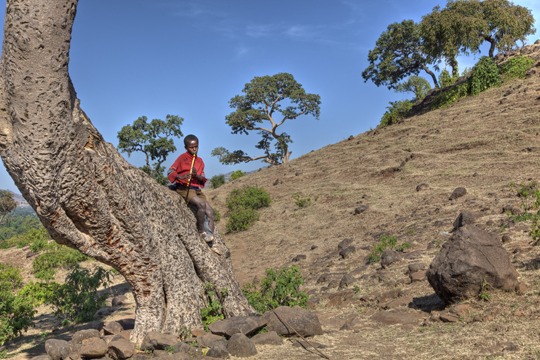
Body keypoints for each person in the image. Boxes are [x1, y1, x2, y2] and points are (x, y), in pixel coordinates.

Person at [168, 134, 216, 243]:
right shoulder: (182, 158)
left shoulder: (200, 161)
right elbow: (170, 171)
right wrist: (180, 176)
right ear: (186, 147)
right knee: (201, 205)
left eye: (196, 147)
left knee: (210, 212)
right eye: (191, 147)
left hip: (196, 189)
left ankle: (211, 236)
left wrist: (196, 176)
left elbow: (202, 178)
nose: (194, 149)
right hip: (184, 188)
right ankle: (201, 232)